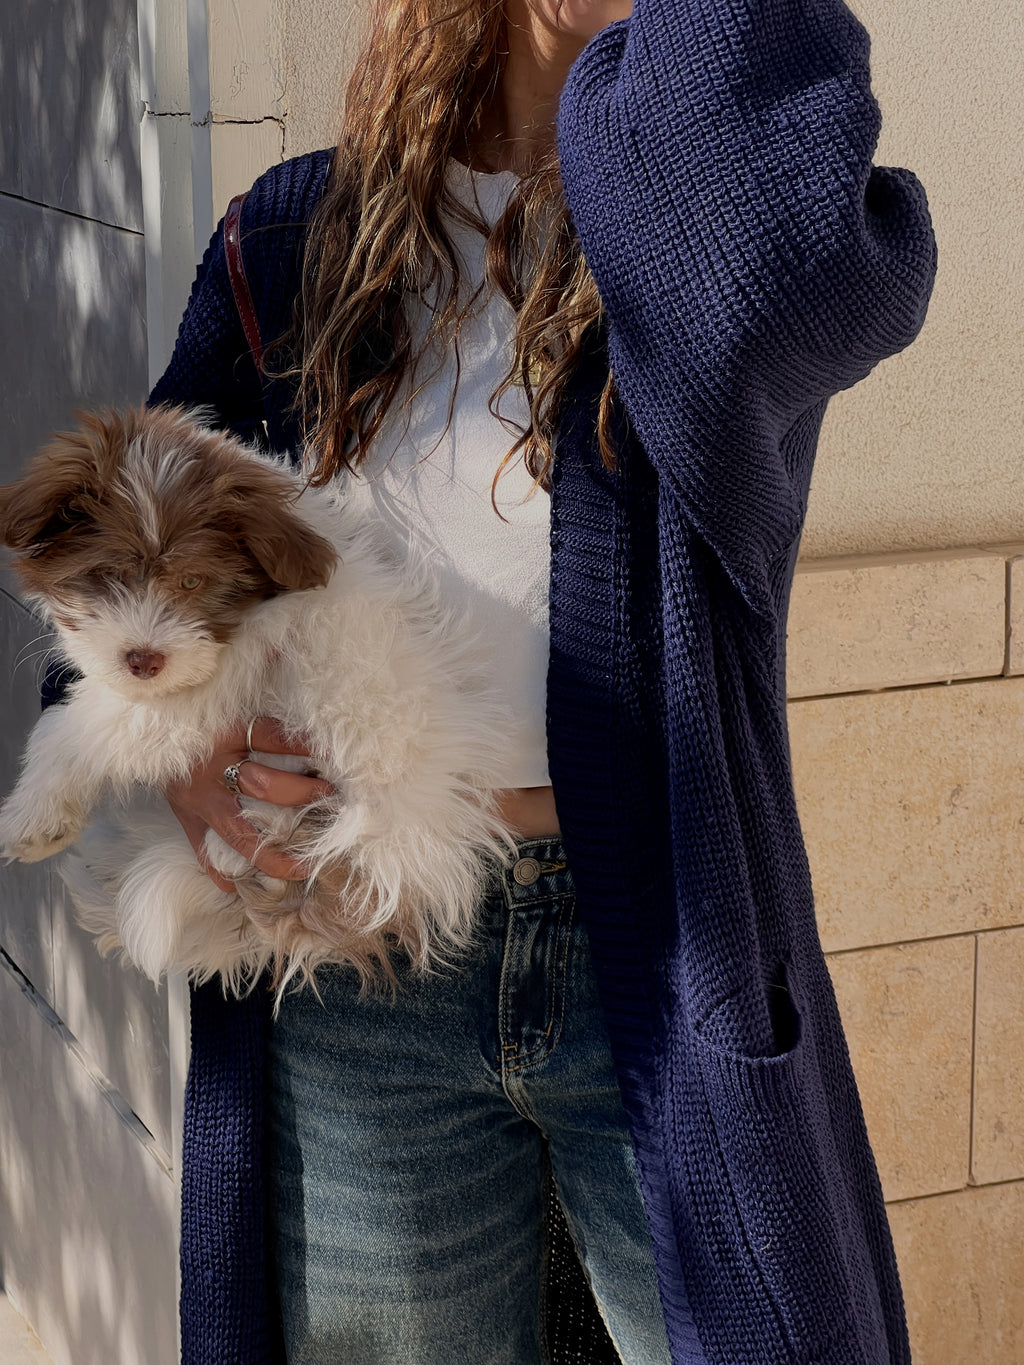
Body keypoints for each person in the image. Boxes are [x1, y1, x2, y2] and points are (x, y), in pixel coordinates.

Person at [136, 0, 937, 1360]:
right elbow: (135, 546)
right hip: (363, 953)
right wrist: (177, 742)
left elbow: (800, 277)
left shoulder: (686, 258)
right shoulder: (293, 240)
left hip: (656, 950)